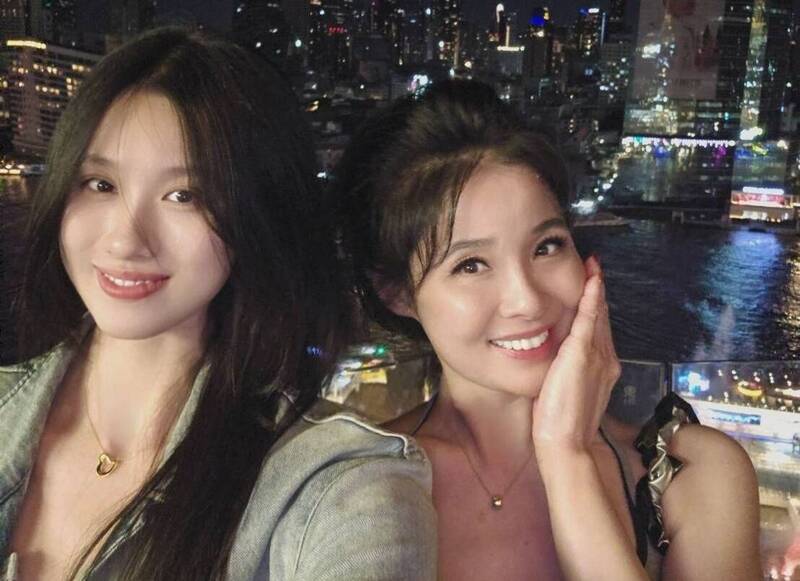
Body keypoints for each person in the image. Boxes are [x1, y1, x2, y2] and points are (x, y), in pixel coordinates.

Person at [0, 27, 436, 580]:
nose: (126, 241)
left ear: (255, 217)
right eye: (100, 184)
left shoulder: (330, 489)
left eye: (184, 195)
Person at [336, 79, 760, 580]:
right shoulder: (355, 489)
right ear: (397, 293)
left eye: (547, 246)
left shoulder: (693, 476)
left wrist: (567, 458)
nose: (528, 300)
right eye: (470, 265)